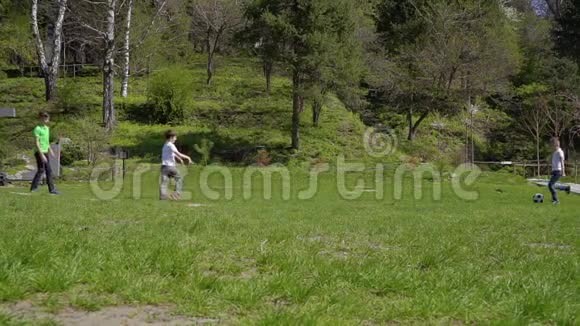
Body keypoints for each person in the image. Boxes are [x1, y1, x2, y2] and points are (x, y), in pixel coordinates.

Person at [30, 112, 59, 194]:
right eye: (43, 117)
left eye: (46, 118)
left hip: (45, 151)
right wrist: (41, 154)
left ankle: (51, 189)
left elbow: (46, 141)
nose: (45, 119)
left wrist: (51, 150)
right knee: (41, 170)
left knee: (47, 170)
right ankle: (34, 188)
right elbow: (36, 142)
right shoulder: (37, 129)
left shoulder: (47, 128)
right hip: (39, 151)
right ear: (40, 118)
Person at [160, 130, 192, 200]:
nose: (176, 139)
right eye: (175, 137)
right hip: (170, 167)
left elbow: (173, 154)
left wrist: (180, 159)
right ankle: (176, 194)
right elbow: (178, 153)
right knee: (179, 178)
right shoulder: (171, 145)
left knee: (164, 183)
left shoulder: (165, 144)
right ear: (171, 137)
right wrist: (188, 158)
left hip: (163, 167)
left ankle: (163, 197)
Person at [548, 137, 571, 205]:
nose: (551, 146)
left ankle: (556, 200)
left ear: (556, 144)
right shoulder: (555, 152)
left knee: (550, 185)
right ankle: (566, 188)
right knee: (553, 185)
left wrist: (563, 172)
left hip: (558, 171)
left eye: (552, 145)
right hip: (555, 171)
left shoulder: (560, 152)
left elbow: (562, 162)